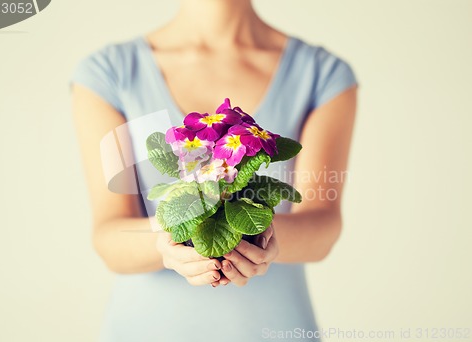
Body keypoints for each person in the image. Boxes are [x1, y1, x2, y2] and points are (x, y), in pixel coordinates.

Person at [70, 0, 358, 341]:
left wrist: (263, 238)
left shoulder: (322, 74)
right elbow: (108, 237)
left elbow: (322, 225)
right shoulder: (110, 74)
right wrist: (168, 240)